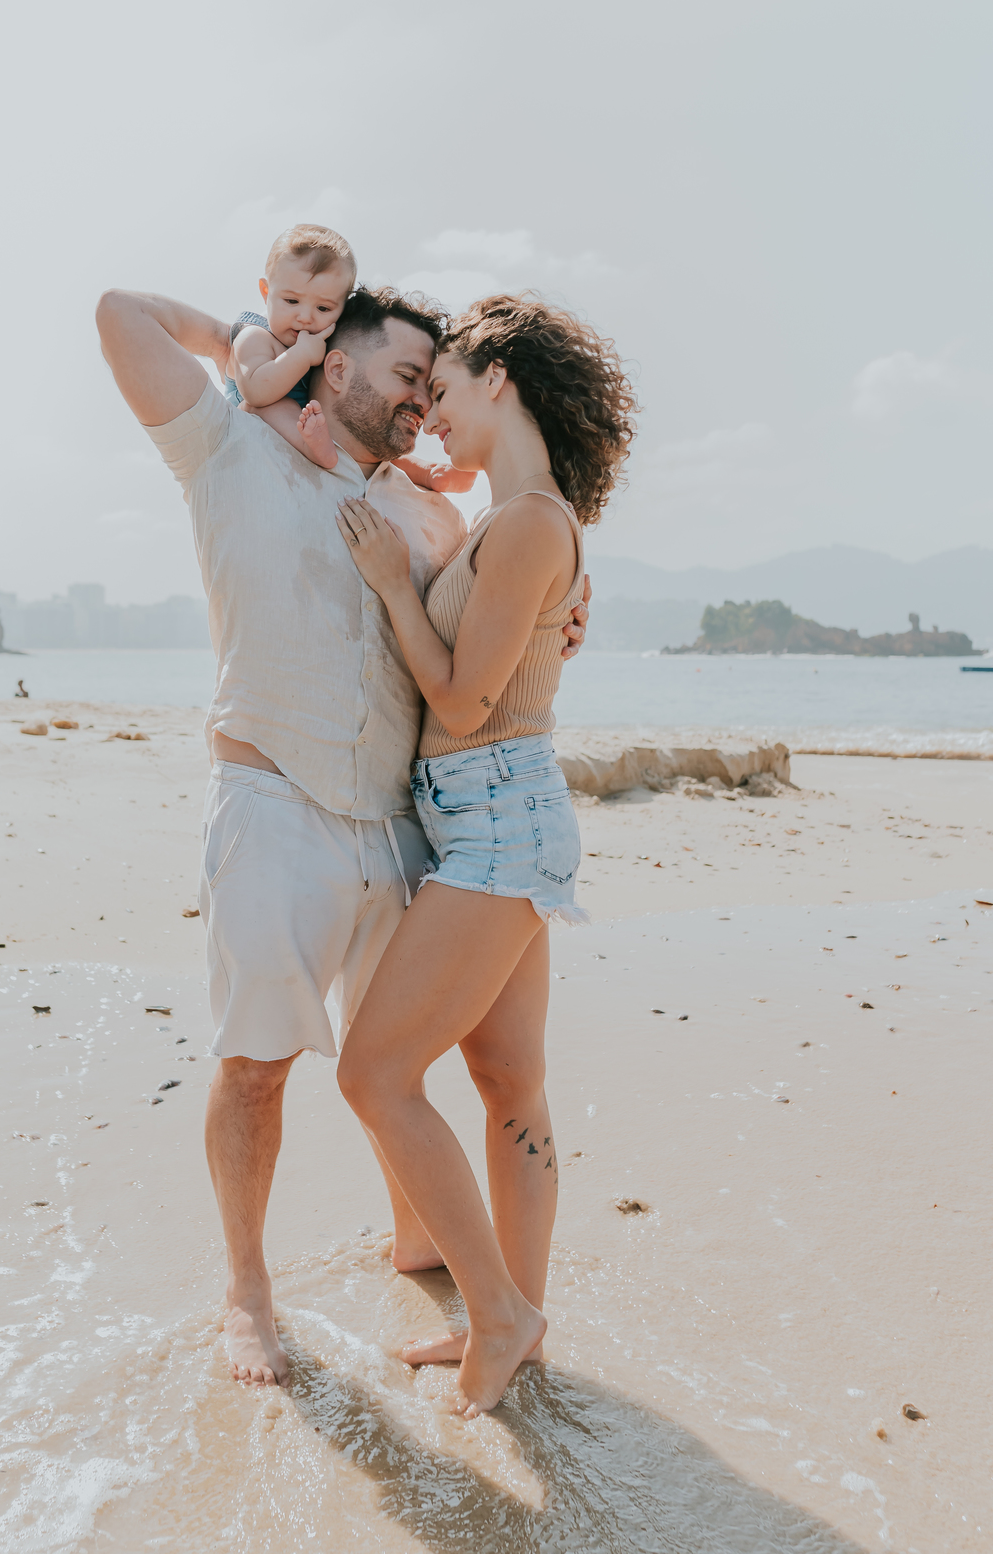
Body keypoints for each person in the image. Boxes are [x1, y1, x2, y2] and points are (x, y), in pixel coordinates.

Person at [95, 278, 593, 1390]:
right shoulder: (227, 447)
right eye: (407, 376)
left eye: (436, 380)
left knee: (418, 1065)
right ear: (336, 358)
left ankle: (429, 1251)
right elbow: (118, 314)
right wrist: (249, 339)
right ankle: (247, 1295)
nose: (423, 402)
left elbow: (489, 650)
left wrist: (562, 619)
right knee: (261, 1068)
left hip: (413, 828)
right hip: (275, 812)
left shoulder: (431, 509)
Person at [334, 292, 636, 1416]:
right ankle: (522, 1322)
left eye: (445, 392)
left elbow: (460, 703)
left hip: (498, 815)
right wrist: (420, 504)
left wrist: (391, 586)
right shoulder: (520, 517)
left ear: (498, 379)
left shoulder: (529, 523)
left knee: (373, 1073)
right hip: (496, 813)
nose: (430, 417)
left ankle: (499, 1315)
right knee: (509, 1078)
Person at [228, 221, 475, 491]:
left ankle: (427, 472)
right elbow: (256, 392)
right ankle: (312, 449)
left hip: (312, 426)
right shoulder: (256, 335)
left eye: (323, 308)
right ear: (266, 292)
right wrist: (300, 355)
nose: (305, 317)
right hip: (260, 408)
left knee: (370, 435)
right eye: (291, 301)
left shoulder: (319, 344)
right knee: (275, 407)